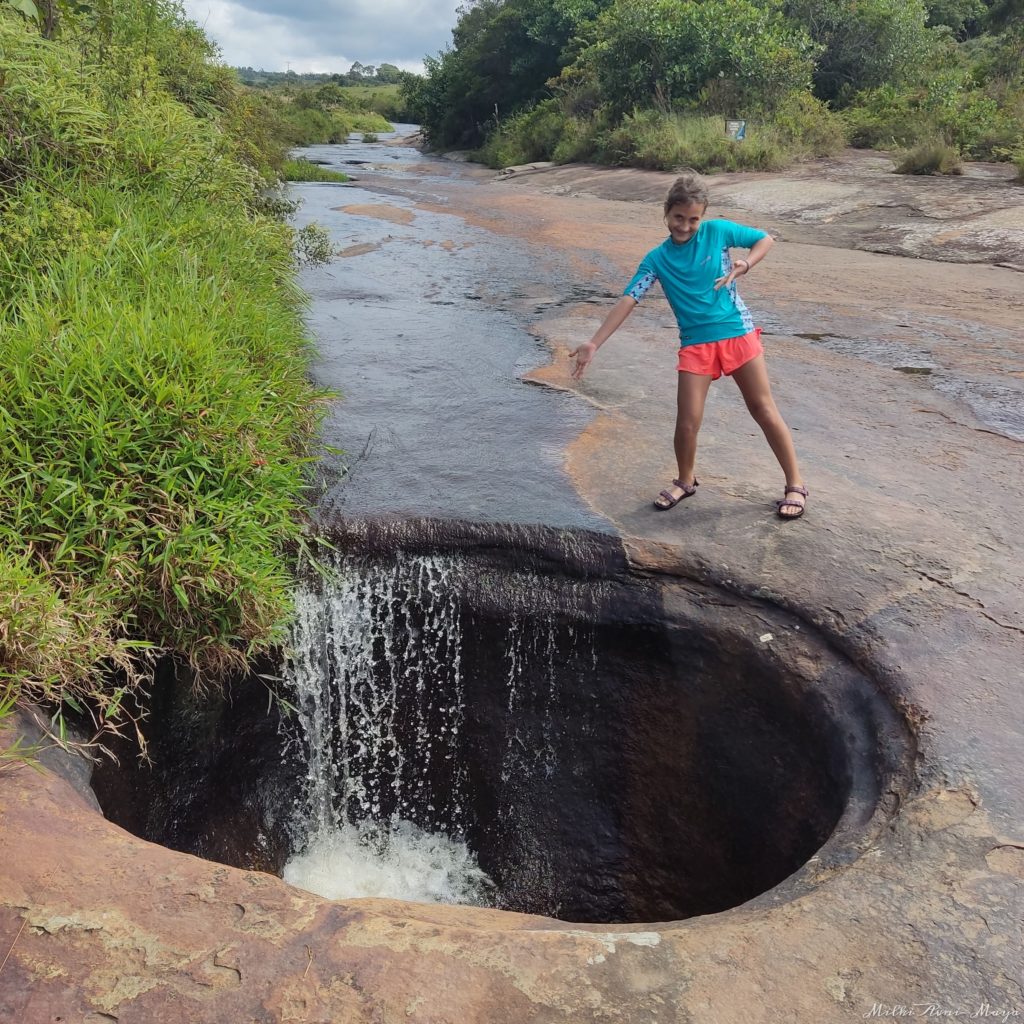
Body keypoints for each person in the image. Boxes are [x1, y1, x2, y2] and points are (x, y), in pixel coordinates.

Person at [569, 172, 808, 519]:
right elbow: (628, 299)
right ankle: (686, 479)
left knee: (763, 409)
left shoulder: (717, 231)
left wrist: (745, 264)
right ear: (666, 213)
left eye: (693, 219)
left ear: (703, 216)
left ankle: (795, 484)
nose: (685, 226)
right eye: (678, 218)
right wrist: (594, 343)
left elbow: (765, 239)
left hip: (735, 333)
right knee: (687, 422)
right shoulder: (656, 259)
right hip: (696, 343)